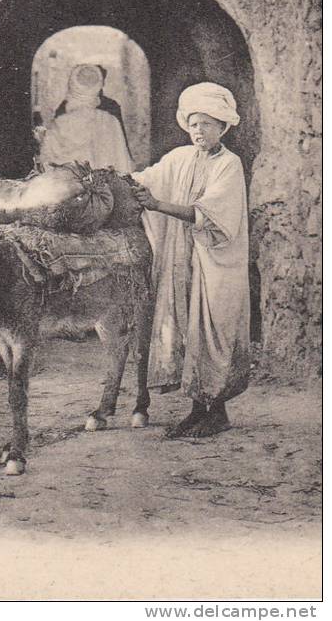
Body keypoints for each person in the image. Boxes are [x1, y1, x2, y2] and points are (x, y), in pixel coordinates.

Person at [130, 82, 250, 438]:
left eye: (208, 124)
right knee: (186, 329)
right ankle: (197, 410)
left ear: (222, 128)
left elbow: (210, 214)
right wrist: (113, 181)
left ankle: (218, 412)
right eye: (195, 124)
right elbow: (146, 180)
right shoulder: (179, 159)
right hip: (181, 260)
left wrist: (157, 205)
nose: (200, 131)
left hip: (215, 263)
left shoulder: (230, 164)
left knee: (213, 330)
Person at [35, 64, 133, 173]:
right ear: (99, 85)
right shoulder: (110, 122)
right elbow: (124, 168)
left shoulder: (58, 125)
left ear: (71, 84)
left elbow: (45, 169)